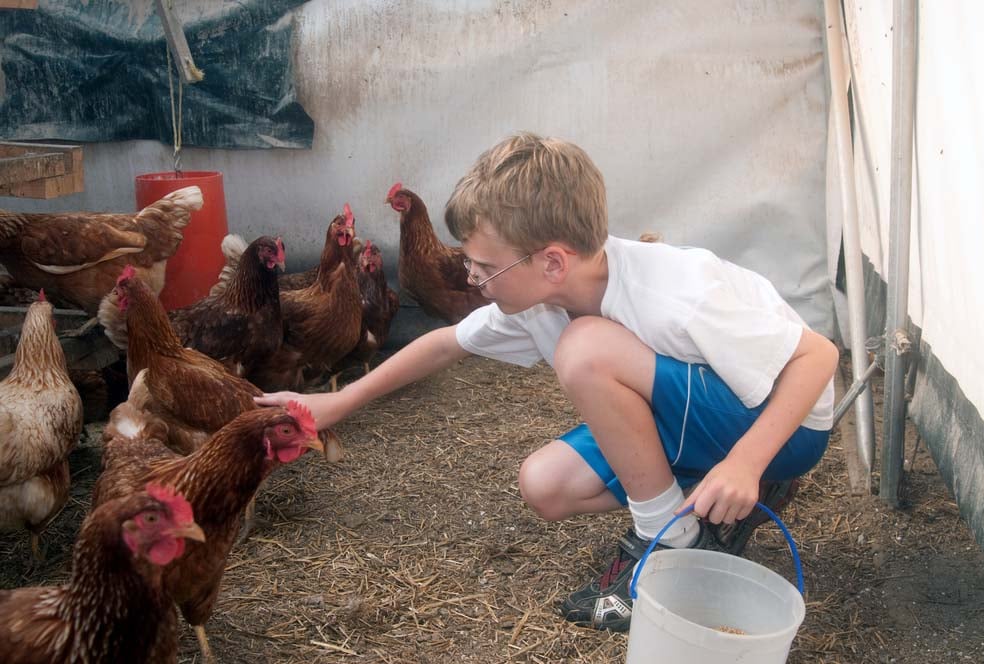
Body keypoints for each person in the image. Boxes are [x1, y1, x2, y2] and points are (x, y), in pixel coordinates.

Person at [256, 132, 838, 632]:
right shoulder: (539, 301)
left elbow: (816, 357)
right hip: (703, 421)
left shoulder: (676, 293)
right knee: (545, 484)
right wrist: (337, 402)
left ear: (552, 263)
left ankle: (671, 541)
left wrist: (746, 464)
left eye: (483, 268)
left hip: (781, 422)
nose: (471, 278)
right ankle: (699, 510)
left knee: (585, 350)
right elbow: (441, 345)